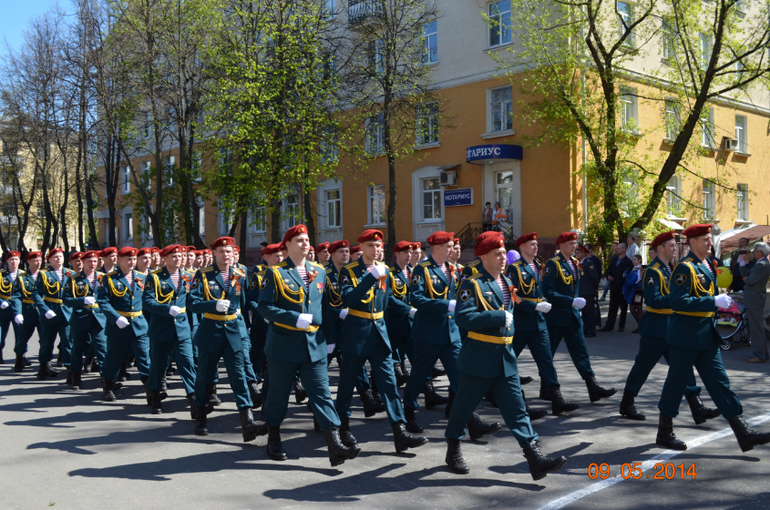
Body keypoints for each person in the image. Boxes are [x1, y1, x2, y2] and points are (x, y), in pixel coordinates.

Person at [445, 234, 568, 479]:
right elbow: (462, 318)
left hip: (505, 357)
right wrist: (495, 317)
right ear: (483, 257)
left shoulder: (506, 281)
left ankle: (535, 457)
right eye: (497, 254)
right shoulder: (473, 284)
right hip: (479, 358)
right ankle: (453, 449)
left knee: (517, 409)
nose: (503, 258)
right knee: (463, 407)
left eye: (504, 253)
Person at [656, 224, 770, 453]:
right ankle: (664, 431)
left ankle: (743, 432)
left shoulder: (708, 264)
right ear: (693, 243)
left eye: (710, 239)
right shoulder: (685, 268)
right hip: (685, 335)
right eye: (705, 240)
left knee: (719, 382)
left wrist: (718, 300)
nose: (710, 243)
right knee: (676, 383)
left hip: (706, 335)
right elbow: (677, 303)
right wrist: (712, 302)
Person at [258, 225, 361, 466]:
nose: (305, 244)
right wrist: (293, 318)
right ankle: (273, 436)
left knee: (322, 394)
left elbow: (325, 307)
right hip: (284, 345)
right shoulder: (275, 273)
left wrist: (331, 338)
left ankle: (334, 444)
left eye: (307, 240)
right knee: (279, 395)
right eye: (299, 240)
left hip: (314, 343)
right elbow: (265, 306)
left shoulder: (319, 271)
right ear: (288, 245)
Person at [335, 229, 428, 454]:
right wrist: (371, 277)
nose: (376, 250)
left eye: (379, 246)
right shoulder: (349, 271)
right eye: (371, 246)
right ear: (362, 248)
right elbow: (350, 299)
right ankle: (342, 428)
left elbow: (388, 299)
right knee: (348, 384)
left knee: (389, 384)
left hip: (379, 334)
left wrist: (410, 310)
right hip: (356, 334)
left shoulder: (384, 270)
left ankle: (399, 431)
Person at [403, 231, 499, 439]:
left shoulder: (451, 269)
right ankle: (408, 413)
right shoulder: (422, 269)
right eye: (448, 246)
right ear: (437, 248)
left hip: (451, 334)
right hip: (429, 333)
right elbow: (416, 300)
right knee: (419, 376)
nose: (452, 250)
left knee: (460, 378)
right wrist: (446, 305)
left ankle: (472, 421)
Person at [619, 231, 719, 423]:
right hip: (656, 328)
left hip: (673, 327)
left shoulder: (671, 269)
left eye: (675, 245)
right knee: (643, 366)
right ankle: (627, 402)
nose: (675, 249)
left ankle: (696, 406)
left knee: (682, 368)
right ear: (660, 249)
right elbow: (654, 301)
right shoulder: (653, 271)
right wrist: (679, 301)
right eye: (671, 246)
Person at [507, 233, 579, 417]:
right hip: (522, 322)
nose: (536, 247)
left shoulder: (540, 266)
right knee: (508, 360)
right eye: (532, 244)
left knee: (546, 361)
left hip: (539, 323)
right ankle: (507, 397)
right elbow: (513, 296)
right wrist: (535, 306)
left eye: (537, 244)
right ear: (522, 247)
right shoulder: (515, 269)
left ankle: (557, 399)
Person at [541, 232, 616, 403]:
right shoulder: (553, 264)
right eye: (570, 243)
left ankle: (593, 386)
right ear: (561, 245)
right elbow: (548, 292)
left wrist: (576, 305)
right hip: (557, 317)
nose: (574, 246)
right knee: (548, 354)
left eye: (575, 243)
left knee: (581, 352)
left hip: (573, 316)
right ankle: (545, 388)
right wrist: (571, 301)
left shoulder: (575, 263)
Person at [321, 239, 382, 417]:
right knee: (320, 369)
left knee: (355, 367)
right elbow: (322, 304)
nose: (345, 254)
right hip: (333, 326)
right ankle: (317, 405)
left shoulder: (356, 271)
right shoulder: (324, 273)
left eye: (347, 251)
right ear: (332, 255)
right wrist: (337, 313)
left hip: (353, 327)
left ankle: (367, 399)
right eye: (341, 252)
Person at [143, 244, 199, 416]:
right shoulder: (155, 277)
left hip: (182, 328)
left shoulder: (190, 276)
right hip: (161, 328)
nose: (178, 259)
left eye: (180, 256)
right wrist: (166, 309)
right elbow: (147, 301)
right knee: (158, 365)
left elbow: (193, 299)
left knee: (187, 364)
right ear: (164, 259)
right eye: (174, 256)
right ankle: (155, 395)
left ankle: (194, 398)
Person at [96, 247, 152, 402]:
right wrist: (115, 318)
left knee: (144, 357)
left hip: (139, 324)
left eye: (134, 259)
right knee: (113, 357)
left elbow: (148, 299)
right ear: (119, 260)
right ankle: (108, 385)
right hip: (118, 326)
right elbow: (102, 301)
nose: (132, 262)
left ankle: (150, 389)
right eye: (128, 259)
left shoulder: (142, 277)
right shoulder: (109, 278)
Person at [63, 250, 107, 391]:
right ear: (83, 262)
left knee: (102, 348)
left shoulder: (103, 277)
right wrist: (82, 300)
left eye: (95, 261)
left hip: (99, 319)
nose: (93, 264)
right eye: (90, 261)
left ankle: (106, 378)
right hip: (81, 318)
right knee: (78, 348)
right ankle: (75, 376)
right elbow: (66, 300)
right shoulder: (74, 279)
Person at [33, 247, 75, 380]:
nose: (59, 259)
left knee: (67, 342)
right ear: (49, 260)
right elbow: (36, 294)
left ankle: (70, 369)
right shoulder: (44, 274)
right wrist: (45, 310)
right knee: (47, 342)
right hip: (50, 313)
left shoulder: (70, 274)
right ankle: (43, 366)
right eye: (55, 257)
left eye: (61, 256)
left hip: (66, 313)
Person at [387, 241, 415, 387]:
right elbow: (389, 297)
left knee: (418, 359)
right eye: (405, 252)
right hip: (395, 323)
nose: (409, 255)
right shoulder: (390, 273)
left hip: (411, 323)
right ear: (397, 254)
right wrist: (408, 309)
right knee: (387, 358)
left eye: (410, 252)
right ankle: (374, 389)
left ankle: (428, 392)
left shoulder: (413, 271)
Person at [10, 251, 43, 371]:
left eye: (40, 260)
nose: (38, 263)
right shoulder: (22, 278)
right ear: (28, 262)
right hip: (28, 311)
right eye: (35, 260)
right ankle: (19, 358)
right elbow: (16, 296)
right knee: (22, 338)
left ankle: (44, 364)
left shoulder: (45, 276)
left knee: (45, 339)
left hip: (43, 312)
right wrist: (18, 312)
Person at [742, 242, 770, 363]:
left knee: (756, 328)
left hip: (754, 299)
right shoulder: (761, 263)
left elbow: (749, 280)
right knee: (757, 327)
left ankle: (759, 355)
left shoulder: (762, 264)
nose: (752, 252)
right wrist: (744, 263)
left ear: (760, 251)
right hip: (755, 298)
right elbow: (747, 277)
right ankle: (763, 353)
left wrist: (746, 277)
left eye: (754, 250)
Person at [600, 242, 632, 332]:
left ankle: (621, 326)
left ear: (624, 250)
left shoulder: (628, 262)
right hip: (613, 287)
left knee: (623, 307)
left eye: (618, 248)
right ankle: (609, 326)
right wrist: (608, 276)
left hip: (622, 288)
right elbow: (608, 270)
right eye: (617, 248)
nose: (616, 250)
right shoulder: (614, 259)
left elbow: (627, 275)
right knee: (612, 307)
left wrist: (619, 281)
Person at [0, 251, 24, 364]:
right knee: (1, 334)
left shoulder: (24, 275)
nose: (14, 262)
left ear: (20, 261)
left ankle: (20, 356)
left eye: (16, 259)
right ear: (7, 261)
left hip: (18, 309)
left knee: (20, 334)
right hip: (3, 309)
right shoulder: (1, 274)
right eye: (12, 260)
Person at [576, 245, 599, 337]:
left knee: (590, 312)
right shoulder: (579, 263)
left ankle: (591, 331)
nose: (576, 255)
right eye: (576, 253)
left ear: (584, 253)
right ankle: (585, 329)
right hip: (581, 291)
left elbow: (594, 277)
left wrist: (595, 287)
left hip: (588, 291)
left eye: (578, 253)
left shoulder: (588, 263)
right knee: (584, 312)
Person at [623, 254, 645, 333]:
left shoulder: (640, 269)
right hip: (632, 291)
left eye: (635, 259)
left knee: (638, 308)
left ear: (640, 260)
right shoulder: (633, 268)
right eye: (633, 259)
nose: (633, 261)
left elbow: (636, 280)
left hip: (638, 291)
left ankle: (641, 326)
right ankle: (640, 325)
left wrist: (632, 273)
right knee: (632, 309)